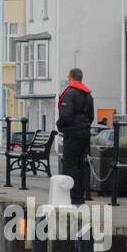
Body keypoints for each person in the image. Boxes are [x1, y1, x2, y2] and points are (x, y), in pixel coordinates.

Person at [56, 67, 95, 203]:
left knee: (70, 163)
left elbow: (65, 116)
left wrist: (60, 125)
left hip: (72, 132)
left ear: (70, 78)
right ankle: (82, 194)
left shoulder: (70, 94)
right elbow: (91, 116)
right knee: (82, 164)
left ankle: (72, 195)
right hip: (85, 132)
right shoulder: (88, 95)